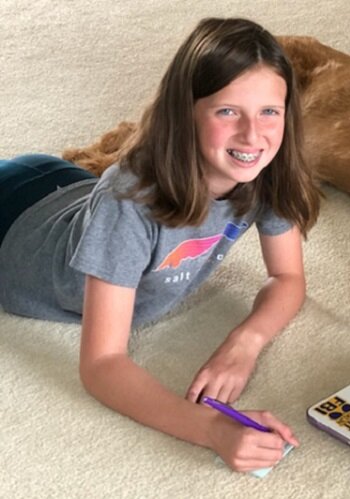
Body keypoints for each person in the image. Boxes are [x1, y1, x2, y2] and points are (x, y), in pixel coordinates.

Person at [0, 17, 319, 472]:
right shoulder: (129, 199)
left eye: (270, 111)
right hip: (13, 227)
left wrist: (244, 345)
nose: (254, 135)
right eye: (228, 111)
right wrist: (209, 428)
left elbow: (288, 277)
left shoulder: (268, 168)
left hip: (63, 184)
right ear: (185, 111)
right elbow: (102, 365)